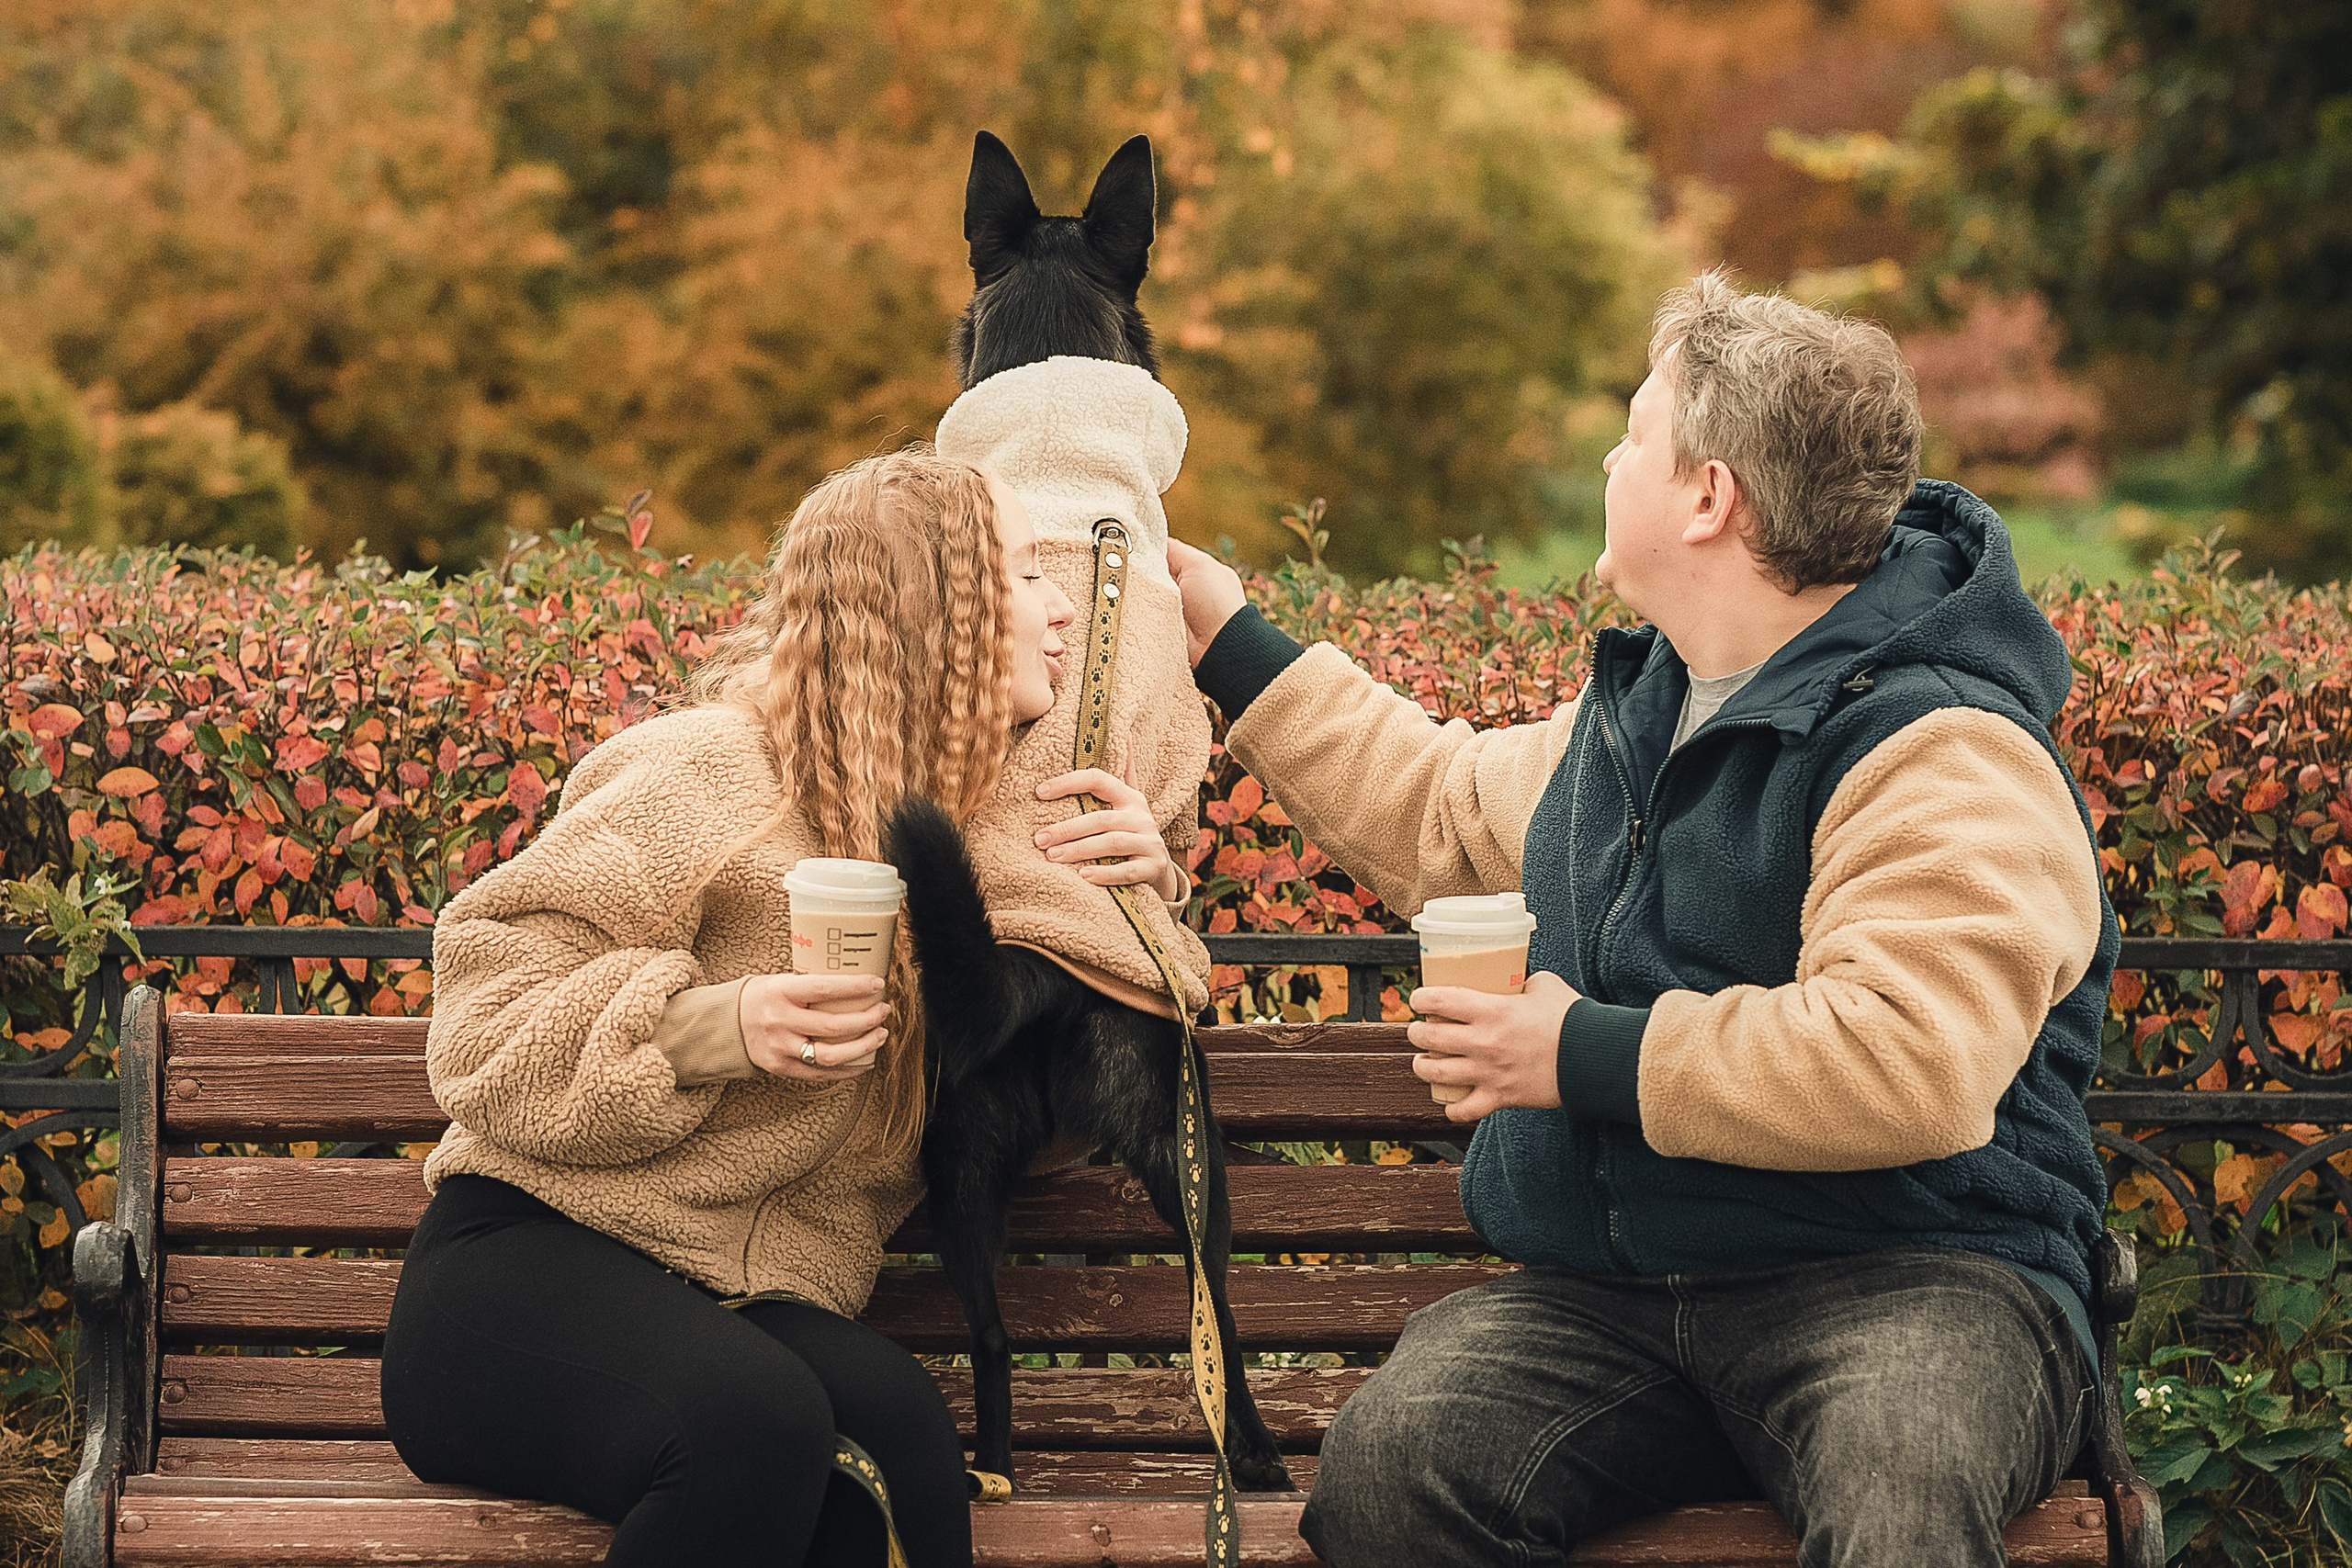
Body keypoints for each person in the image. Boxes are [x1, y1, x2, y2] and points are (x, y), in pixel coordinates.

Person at [1165, 271, 2115, 1567]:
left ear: (1708, 495)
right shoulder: (1641, 712)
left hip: (1918, 1274)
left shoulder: (1941, 746)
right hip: (1615, 1298)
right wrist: (1227, 635)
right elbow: (1436, 804)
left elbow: (1908, 1056)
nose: (1612, 457)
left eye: (1632, 431)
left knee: (1901, 1488)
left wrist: (1581, 1055)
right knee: (1393, 1473)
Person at [379, 447, 1191, 1568]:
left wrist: (1137, 911)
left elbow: (1050, 1131)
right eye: (1025, 578)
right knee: (752, 1424)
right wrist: (726, 1025)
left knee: (900, 1443)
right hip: (523, 1268)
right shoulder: (704, 776)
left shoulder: (979, 846)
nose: (1061, 613)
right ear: (937, 608)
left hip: (754, 1298)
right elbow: (484, 1027)